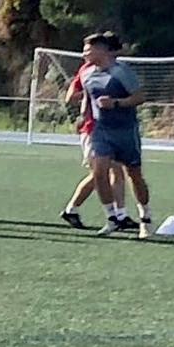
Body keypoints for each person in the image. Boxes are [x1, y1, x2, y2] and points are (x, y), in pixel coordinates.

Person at [80, 32, 152, 238]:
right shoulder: (86, 74)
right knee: (99, 172)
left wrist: (116, 103)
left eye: (88, 50)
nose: (84, 54)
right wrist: (83, 116)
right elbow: (87, 97)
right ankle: (112, 218)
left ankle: (145, 217)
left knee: (134, 174)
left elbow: (140, 97)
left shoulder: (121, 72)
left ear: (101, 50)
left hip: (126, 131)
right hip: (101, 130)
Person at [59, 41, 137, 231]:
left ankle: (121, 215)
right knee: (99, 174)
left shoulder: (116, 70)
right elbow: (72, 96)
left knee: (116, 171)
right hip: (93, 129)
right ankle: (72, 209)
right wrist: (91, 101)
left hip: (110, 129)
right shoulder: (88, 70)